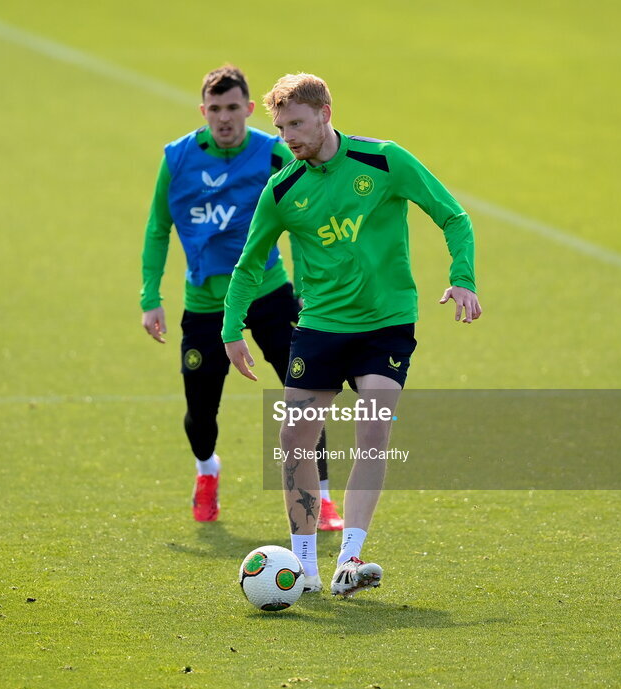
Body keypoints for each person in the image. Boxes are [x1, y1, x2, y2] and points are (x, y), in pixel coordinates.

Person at [222, 73, 481, 596]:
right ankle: (304, 569)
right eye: (280, 128)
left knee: (373, 429)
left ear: (325, 114)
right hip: (319, 327)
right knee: (294, 437)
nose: (289, 137)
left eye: (297, 124)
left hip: (385, 325)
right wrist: (232, 329)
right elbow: (249, 266)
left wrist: (462, 279)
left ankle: (349, 558)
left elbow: (453, 216)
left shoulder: (384, 160)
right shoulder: (283, 189)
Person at [140, 65, 340, 528]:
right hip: (206, 304)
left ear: (250, 109)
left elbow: (308, 222)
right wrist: (151, 296)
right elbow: (157, 230)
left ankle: (323, 497)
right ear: (203, 111)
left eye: (233, 108)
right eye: (215, 109)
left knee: (306, 395)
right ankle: (207, 470)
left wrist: (311, 290)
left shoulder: (275, 154)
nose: (224, 118)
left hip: (269, 295)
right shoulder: (177, 160)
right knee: (200, 412)